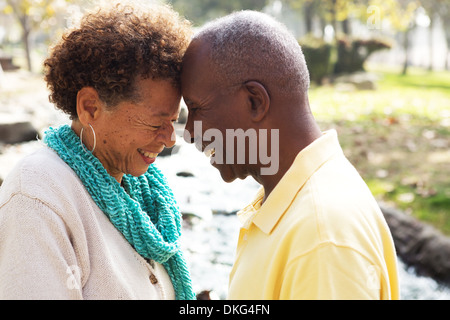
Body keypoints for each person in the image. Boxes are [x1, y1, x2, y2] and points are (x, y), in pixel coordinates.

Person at [181, 10, 399, 300]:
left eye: (197, 109)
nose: (190, 132)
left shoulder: (321, 238)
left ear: (254, 102)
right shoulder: (291, 199)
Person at [0, 2, 195, 300]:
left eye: (173, 121)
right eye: (156, 122)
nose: (170, 139)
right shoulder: (36, 197)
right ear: (90, 107)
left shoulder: (144, 193)